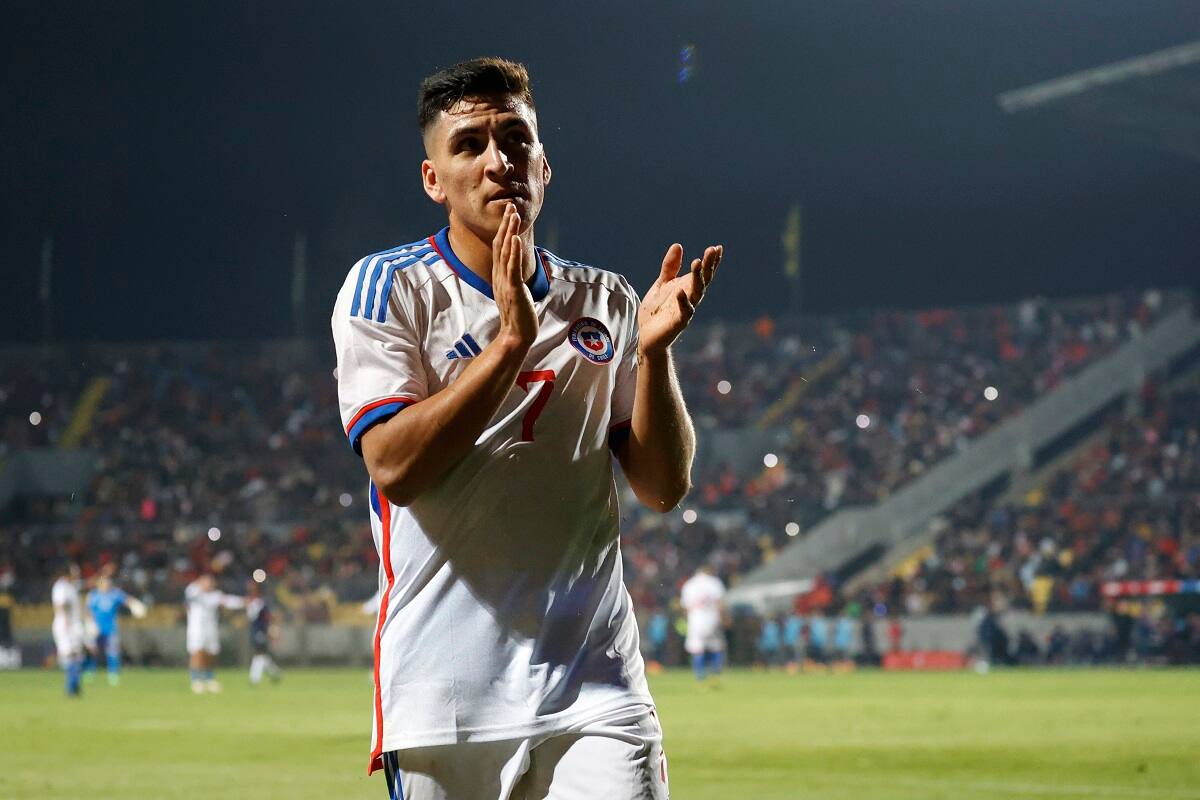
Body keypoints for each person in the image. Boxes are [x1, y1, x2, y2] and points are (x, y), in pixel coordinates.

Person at [332, 57, 723, 800]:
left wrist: (654, 355)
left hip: (597, 686)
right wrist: (510, 343)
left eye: (515, 139)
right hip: (444, 695)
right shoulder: (390, 287)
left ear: (544, 165)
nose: (497, 161)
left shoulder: (606, 299)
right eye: (469, 144)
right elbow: (394, 467)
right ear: (433, 179)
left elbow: (663, 486)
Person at [184, 573, 244, 694]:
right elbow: (189, 594)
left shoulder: (215, 595)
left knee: (211, 653)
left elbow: (228, 601)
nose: (209, 584)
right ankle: (196, 680)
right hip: (197, 628)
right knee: (197, 652)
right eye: (206, 581)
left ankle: (209, 678)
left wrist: (243, 601)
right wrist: (201, 585)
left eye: (210, 582)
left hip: (211, 628)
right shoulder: (193, 591)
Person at [85, 573, 147, 685]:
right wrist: (90, 624)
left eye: (108, 583)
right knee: (93, 651)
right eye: (104, 583)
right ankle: (90, 672)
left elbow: (127, 600)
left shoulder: (115, 594)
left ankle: (113, 674)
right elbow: (88, 611)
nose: (106, 585)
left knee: (113, 651)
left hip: (111, 628)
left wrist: (135, 605)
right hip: (96, 628)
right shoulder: (93, 595)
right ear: (99, 584)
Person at [679, 564, 727, 683]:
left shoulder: (689, 584)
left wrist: (687, 620)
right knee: (717, 646)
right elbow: (719, 603)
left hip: (695, 620)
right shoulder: (714, 582)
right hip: (712, 618)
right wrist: (724, 618)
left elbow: (685, 608)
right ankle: (716, 674)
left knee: (697, 648)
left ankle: (700, 676)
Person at [51, 563, 85, 697]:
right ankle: (71, 687)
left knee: (77, 654)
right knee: (69, 654)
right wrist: (65, 619)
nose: (77, 574)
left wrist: (103, 573)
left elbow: (89, 583)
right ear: (68, 574)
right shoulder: (61, 586)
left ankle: (75, 684)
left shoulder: (72, 585)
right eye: (75, 572)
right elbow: (59, 604)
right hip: (65, 625)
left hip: (74, 625)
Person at [246, 580, 282, 686]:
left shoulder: (261, 602)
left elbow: (270, 617)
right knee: (262, 655)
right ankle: (275, 673)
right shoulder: (251, 601)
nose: (249, 588)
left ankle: (255, 678)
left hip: (260, 631)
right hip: (254, 631)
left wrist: (274, 630)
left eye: (252, 586)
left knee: (259, 653)